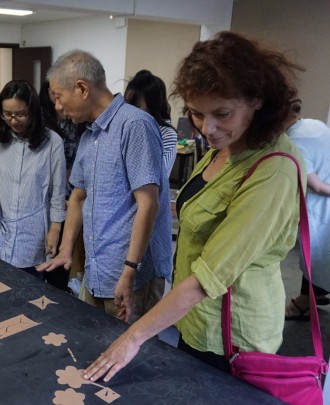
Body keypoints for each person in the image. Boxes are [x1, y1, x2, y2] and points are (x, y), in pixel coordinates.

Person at [82, 31, 304, 382]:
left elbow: (207, 277)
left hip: (233, 339)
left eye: (222, 114)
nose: (208, 129)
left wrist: (133, 337)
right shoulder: (226, 144)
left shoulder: (272, 168)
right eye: (197, 115)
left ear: (257, 99)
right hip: (194, 321)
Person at [37, 50, 173, 324]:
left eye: (59, 98)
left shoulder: (134, 125)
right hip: (97, 271)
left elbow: (149, 204)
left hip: (130, 277)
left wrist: (129, 270)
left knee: (129, 359)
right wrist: (65, 251)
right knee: (93, 348)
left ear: (82, 89)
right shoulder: (90, 135)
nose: (58, 108)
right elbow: (77, 197)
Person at [0, 80, 66, 278]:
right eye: (7, 114)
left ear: (33, 111)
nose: (13, 120)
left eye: (20, 114)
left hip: (32, 233)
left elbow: (58, 193)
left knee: (27, 293)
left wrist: (55, 229)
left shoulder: (52, 143)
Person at [284, 99, 330, 320]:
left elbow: (318, 186)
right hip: (322, 210)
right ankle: (317, 295)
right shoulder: (314, 124)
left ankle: (305, 303)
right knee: (320, 256)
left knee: (315, 256)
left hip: (320, 210)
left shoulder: (293, 141)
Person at [38, 79, 86, 291]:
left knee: (61, 251)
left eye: (60, 94)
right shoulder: (41, 121)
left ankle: (58, 289)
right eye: (53, 93)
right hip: (46, 194)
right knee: (43, 248)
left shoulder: (78, 121)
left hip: (73, 192)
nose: (57, 100)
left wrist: (72, 194)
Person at [124, 70, 178, 174]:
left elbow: (158, 177)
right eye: (126, 104)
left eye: (136, 106)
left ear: (152, 106)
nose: (128, 110)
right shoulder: (124, 127)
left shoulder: (166, 134)